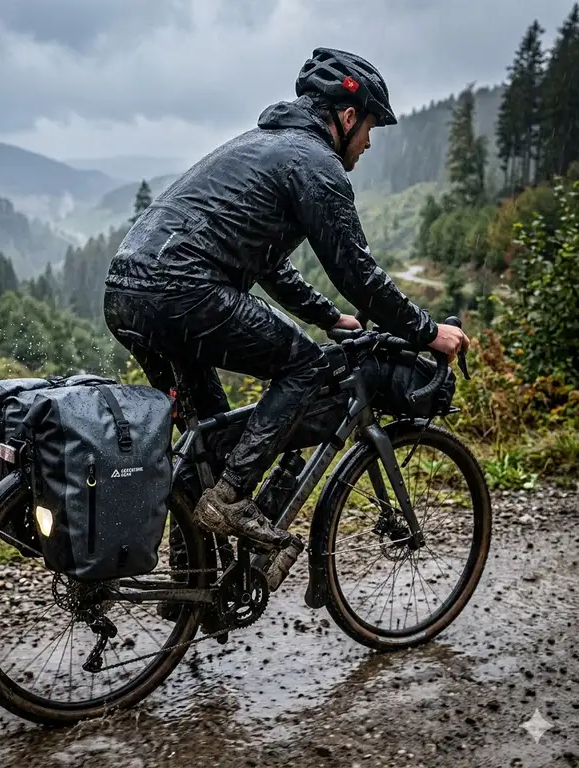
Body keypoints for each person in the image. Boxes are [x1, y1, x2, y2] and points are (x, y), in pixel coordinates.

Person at [103, 47, 469, 557]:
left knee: (210, 436)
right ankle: (229, 499)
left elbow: (270, 266)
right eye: (368, 129)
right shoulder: (316, 164)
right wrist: (429, 332)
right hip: (180, 291)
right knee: (305, 364)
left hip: (127, 293)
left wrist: (327, 315)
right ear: (346, 117)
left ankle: (193, 587)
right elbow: (357, 272)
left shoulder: (265, 146)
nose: (367, 143)